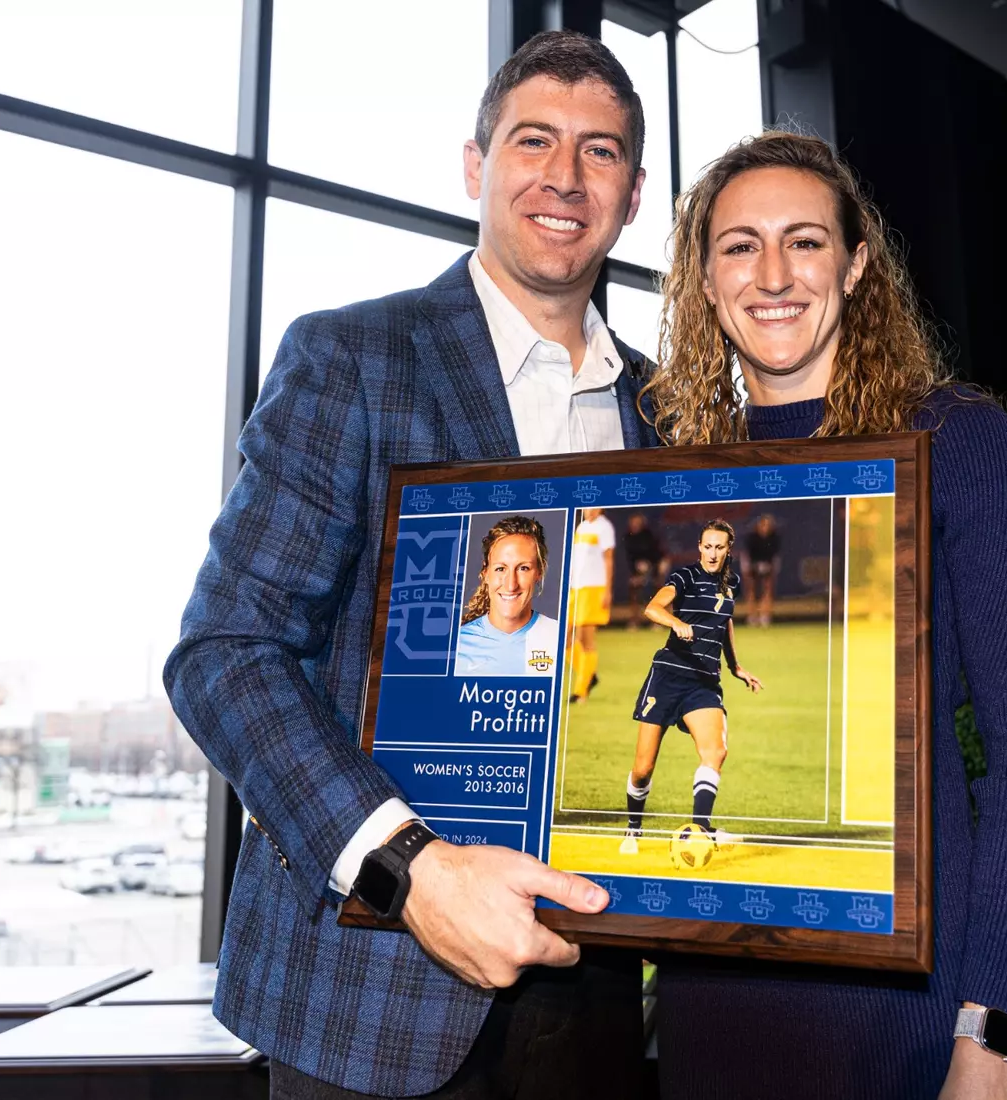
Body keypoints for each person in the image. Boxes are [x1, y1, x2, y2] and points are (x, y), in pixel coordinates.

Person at [165, 31, 658, 1100]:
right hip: (371, 999)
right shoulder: (355, 359)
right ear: (476, 167)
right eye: (534, 140)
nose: (565, 177)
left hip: (597, 997)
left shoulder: (667, 413)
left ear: (632, 194)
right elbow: (224, 652)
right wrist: (409, 869)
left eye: (601, 151)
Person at [640, 131, 1007, 1100]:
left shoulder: (954, 439)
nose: (772, 274)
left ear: (854, 265)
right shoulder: (676, 471)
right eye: (738, 245)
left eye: (804, 241)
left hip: (912, 1032)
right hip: (716, 1021)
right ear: (704, 281)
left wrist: (992, 1034)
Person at [619, 519, 762, 855]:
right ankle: (633, 829)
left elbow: (722, 622)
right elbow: (652, 607)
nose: (713, 554)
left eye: (720, 547)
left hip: (704, 681)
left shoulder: (732, 584)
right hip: (669, 675)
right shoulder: (684, 577)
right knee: (642, 769)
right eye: (708, 546)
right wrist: (677, 622)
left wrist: (735, 666)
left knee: (716, 751)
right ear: (700, 546)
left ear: (729, 549)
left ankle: (700, 830)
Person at [455, 516, 560, 677]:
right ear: (486, 574)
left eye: (523, 568)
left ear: (539, 572)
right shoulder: (457, 646)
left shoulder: (559, 639)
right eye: (500, 569)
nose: (511, 585)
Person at [566, 507, 614, 701]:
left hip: (594, 589)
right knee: (565, 639)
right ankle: (589, 674)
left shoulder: (605, 528)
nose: (589, 509)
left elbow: (609, 560)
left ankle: (580, 692)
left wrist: (607, 591)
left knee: (586, 639)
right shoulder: (582, 528)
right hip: (576, 589)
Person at [622, 512, 669, 628]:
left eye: (638, 522)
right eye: (633, 522)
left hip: (656, 566)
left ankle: (658, 622)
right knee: (634, 588)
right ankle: (634, 621)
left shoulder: (649, 535)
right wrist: (637, 573)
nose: (635, 525)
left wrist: (657, 567)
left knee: (659, 590)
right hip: (638, 570)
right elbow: (631, 558)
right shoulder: (628, 537)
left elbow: (659, 555)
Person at [743, 513, 781, 626]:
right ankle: (752, 616)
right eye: (763, 524)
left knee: (767, 590)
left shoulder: (774, 538)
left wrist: (771, 568)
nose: (765, 527)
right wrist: (748, 569)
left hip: (768, 566)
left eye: (767, 525)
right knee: (751, 591)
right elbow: (746, 555)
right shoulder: (752, 538)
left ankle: (765, 616)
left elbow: (774, 556)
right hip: (752, 566)